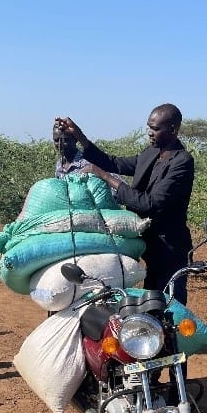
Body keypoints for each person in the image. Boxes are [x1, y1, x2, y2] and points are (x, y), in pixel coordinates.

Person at [54, 104, 194, 304]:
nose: (149, 133)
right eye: (149, 127)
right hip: (147, 241)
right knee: (151, 298)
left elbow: (150, 203)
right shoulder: (151, 153)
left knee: (171, 302)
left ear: (172, 129)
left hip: (169, 246)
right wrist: (80, 136)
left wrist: (104, 176)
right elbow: (114, 163)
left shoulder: (182, 162)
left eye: (155, 129)